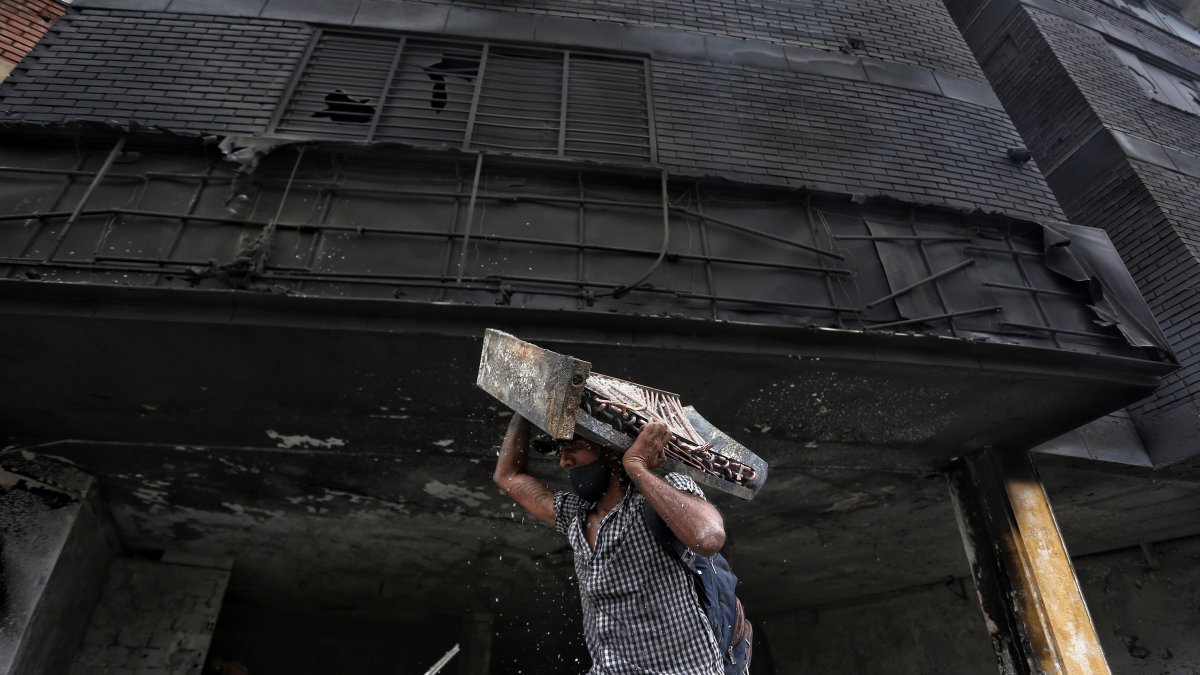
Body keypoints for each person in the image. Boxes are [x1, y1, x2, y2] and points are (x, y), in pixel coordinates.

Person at [492, 413, 727, 675]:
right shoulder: (576, 515)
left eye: (574, 448)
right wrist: (523, 409)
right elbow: (508, 476)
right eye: (561, 451)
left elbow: (709, 538)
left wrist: (637, 466)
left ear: (612, 451)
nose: (564, 461)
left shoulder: (657, 497)